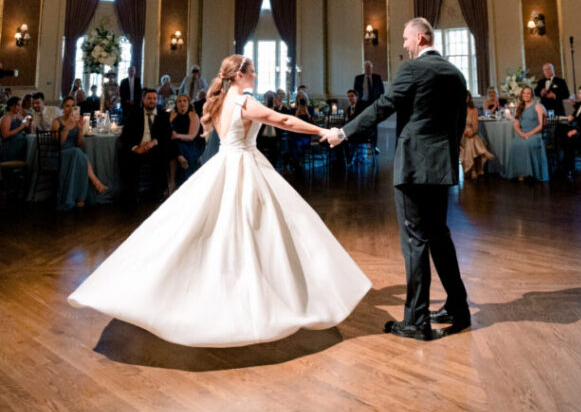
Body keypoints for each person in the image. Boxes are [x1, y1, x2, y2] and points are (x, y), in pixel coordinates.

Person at [68, 55, 371, 347]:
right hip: (244, 166)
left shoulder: (220, 101)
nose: (255, 74)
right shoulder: (243, 101)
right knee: (262, 229)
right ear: (240, 75)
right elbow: (283, 121)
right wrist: (324, 130)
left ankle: (223, 288)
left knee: (216, 230)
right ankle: (256, 298)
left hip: (225, 164)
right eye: (251, 70)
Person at [329, 17, 468, 342]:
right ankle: (458, 309)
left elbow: (383, 107)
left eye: (406, 39)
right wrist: (446, 156)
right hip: (441, 166)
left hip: (414, 169)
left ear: (420, 38)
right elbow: (458, 124)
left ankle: (417, 322)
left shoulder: (413, 69)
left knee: (415, 241)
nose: (404, 45)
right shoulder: (456, 74)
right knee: (440, 237)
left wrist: (344, 132)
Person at [52, 97, 108, 208]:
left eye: (73, 106)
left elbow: (79, 143)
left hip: (74, 153)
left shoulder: (77, 120)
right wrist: (67, 127)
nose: (70, 109)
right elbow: (60, 143)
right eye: (67, 106)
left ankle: (81, 197)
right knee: (79, 154)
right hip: (59, 153)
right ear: (63, 107)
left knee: (80, 154)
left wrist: (80, 129)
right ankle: (92, 186)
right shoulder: (56, 121)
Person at [120, 88, 172, 204]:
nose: (152, 101)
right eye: (149, 98)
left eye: (154, 98)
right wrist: (135, 148)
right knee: (126, 156)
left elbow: (167, 135)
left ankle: (157, 193)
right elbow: (125, 135)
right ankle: (132, 193)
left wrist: (154, 142)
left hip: (155, 149)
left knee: (161, 156)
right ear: (143, 99)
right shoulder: (134, 114)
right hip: (138, 148)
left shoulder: (163, 115)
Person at [505, 86, 549, 182]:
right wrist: (522, 134)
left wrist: (528, 134)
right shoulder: (519, 107)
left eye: (528, 93)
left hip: (535, 134)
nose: (526, 95)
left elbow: (541, 126)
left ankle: (529, 173)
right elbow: (516, 125)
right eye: (524, 93)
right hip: (523, 134)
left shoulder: (538, 106)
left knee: (526, 144)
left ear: (532, 95)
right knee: (514, 143)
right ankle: (520, 173)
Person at [168, 93, 202, 191]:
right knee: (173, 144)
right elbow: (168, 132)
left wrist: (177, 135)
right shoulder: (173, 115)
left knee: (175, 145)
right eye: (179, 101)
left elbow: (191, 137)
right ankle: (180, 157)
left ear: (188, 103)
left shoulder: (193, 115)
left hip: (191, 144)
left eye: (184, 101)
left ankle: (172, 183)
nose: (182, 103)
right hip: (175, 143)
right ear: (176, 104)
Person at [460, 92, 493, 180]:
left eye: (466, 97)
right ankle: (483, 152)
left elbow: (475, 127)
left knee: (471, 140)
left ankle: (473, 169)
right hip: (460, 134)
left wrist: (472, 132)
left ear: (469, 98)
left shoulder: (474, 110)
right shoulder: (457, 110)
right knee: (471, 140)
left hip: (470, 133)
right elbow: (456, 126)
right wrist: (464, 131)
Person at [0, 96, 29, 160]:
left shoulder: (20, 116)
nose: (20, 107)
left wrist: (27, 123)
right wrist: (21, 127)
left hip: (20, 145)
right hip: (10, 146)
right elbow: (5, 135)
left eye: (21, 105)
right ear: (12, 106)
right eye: (18, 105)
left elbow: (25, 126)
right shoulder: (6, 118)